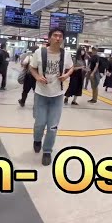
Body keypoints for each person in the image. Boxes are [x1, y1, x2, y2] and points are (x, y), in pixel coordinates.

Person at [28, 27, 74, 166]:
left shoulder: (66, 54)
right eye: (55, 35)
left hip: (57, 95)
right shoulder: (39, 52)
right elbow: (32, 67)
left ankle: (47, 151)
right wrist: (37, 76)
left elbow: (71, 67)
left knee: (53, 126)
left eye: (60, 36)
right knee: (40, 122)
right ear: (49, 38)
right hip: (41, 93)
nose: (58, 38)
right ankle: (37, 139)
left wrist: (66, 75)